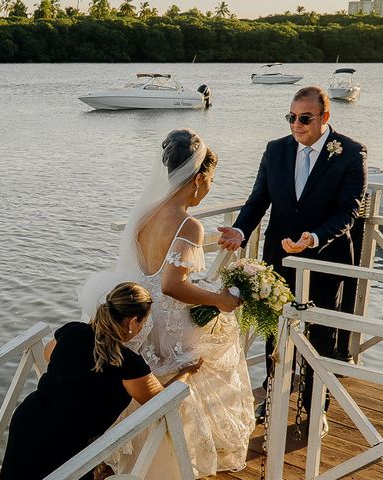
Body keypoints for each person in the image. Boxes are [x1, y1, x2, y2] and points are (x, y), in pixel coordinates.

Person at [80, 129, 255, 477]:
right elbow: (173, 285)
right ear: (200, 177)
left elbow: (144, 274)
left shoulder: (143, 214)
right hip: (169, 324)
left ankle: (127, 462)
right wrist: (220, 300)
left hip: (137, 318)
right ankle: (168, 468)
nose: (210, 189)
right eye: (211, 181)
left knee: (137, 396)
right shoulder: (189, 226)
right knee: (198, 370)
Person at [218, 86, 368, 433]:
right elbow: (258, 200)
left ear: (324, 118)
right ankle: (272, 401)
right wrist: (240, 232)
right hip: (280, 258)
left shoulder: (350, 153)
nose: (296, 125)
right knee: (277, 333)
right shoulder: (276, 150)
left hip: (325, 259)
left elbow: (349, 211)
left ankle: (316, 408)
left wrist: (314, 238)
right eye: (291, 117)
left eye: (304, 118)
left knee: (321, 337)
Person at [0, 282, 201, 480]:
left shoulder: (72, 331)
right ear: (132, 322)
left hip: (29, 420)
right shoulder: (128, 363)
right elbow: (160, 401)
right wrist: (186, 372)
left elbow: (48, 354)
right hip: (68, 443)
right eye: (143, 321)